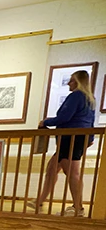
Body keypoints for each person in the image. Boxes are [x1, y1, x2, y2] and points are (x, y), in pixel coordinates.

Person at [29, 69, 96, 215]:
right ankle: (39, 201)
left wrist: (47, 121)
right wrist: (90, 139)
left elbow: (64, 117)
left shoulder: (76, 96)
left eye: (71, 80)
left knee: (72, 172)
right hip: (78, 138)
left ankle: (78, 208)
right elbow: (90, 122)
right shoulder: (90, 98)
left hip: (70, 138)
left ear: (77, 82)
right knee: (52, 168)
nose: (68, 83)